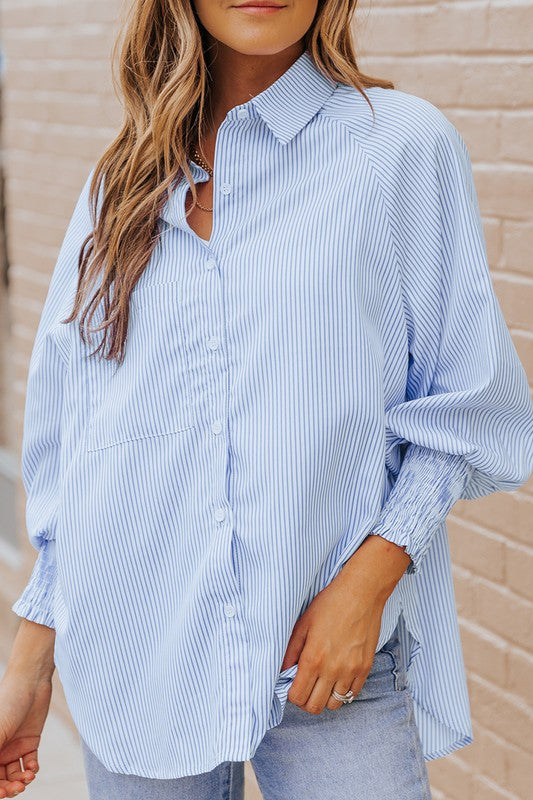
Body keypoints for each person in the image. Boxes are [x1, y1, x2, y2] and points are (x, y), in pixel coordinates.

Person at [1, 1, 533, 798]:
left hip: (326, 662)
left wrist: (369, 582)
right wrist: (30, 659)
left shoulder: (398, 145)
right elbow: (78, 440)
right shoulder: (122, 181)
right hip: (132, 653)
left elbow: (464, 402)